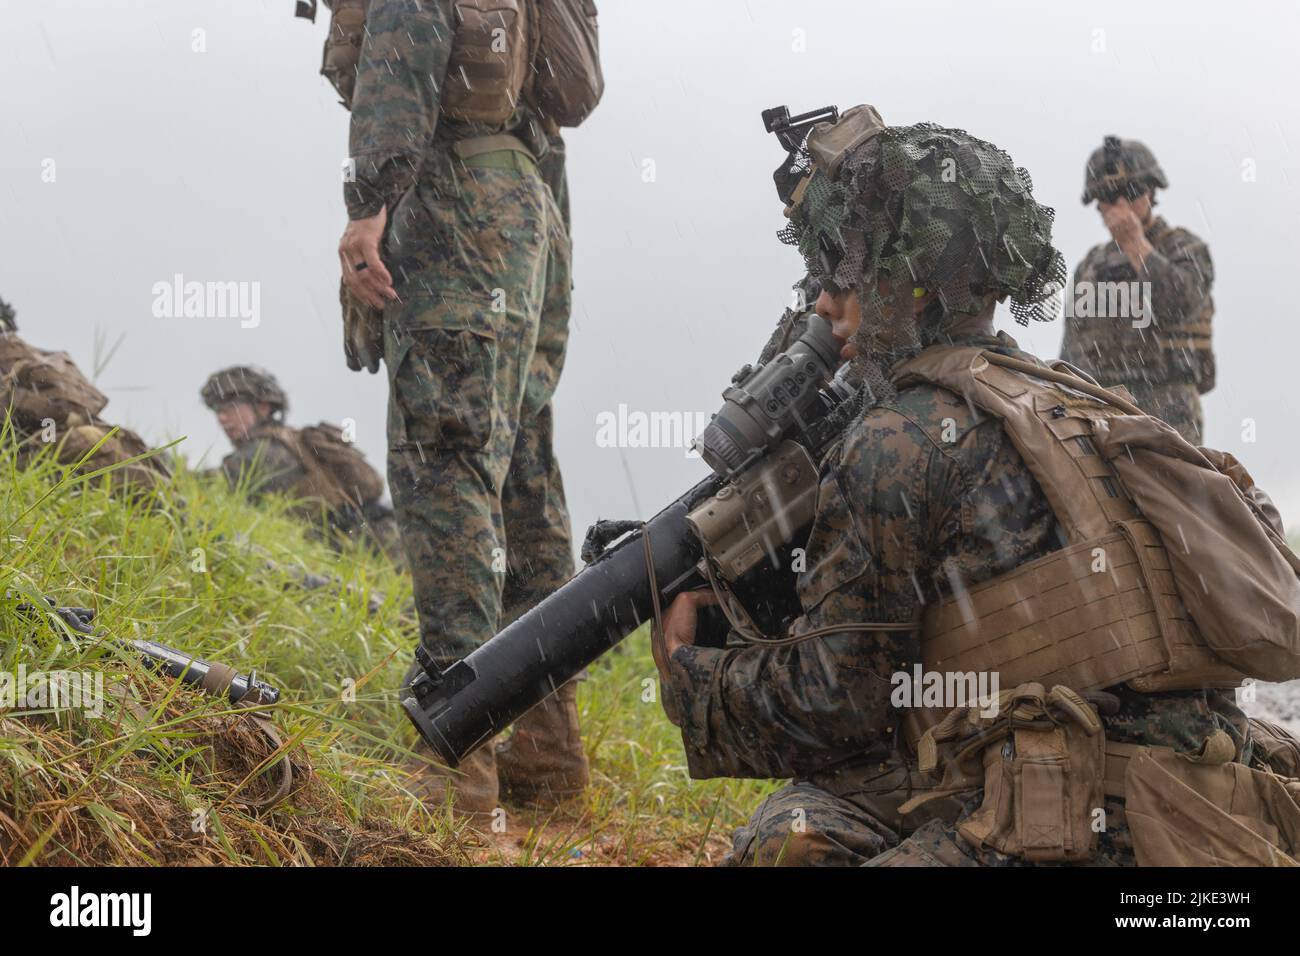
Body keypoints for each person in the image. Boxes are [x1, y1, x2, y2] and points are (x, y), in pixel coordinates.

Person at [650, 111, 1300, 867]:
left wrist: (693, 674)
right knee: (800, 828)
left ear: (904, 282)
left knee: (779, 853)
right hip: (1198, 804)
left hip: (1082, 814)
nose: (822, 306)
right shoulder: (1076, 398)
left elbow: (839, 707)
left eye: (842, 274)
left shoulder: (898, 437)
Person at [334, 0, 601, 814]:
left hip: (456, 207)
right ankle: (549, 763)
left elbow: (401, 59)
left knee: (445, 471)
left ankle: (457, 778)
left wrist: (368, 208)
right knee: (520, 471)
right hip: (532, 210)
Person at [1060, 136, 1215, 443]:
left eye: (1129, 192)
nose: (1118, 205)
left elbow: (1180, 302)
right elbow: (1072, 349)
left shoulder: (1184, 249)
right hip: (1098, 410)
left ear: (1151, 192)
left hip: (1167, 408)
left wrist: (1135, 244)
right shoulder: (1091, 265)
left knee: (1171, 491)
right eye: (1107, 197)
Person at [200, 365, 401, 561]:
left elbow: (205, 488)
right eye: (217, 410)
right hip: (383, 541)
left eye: (230, 407)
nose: (222, 418)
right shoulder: (293, 440)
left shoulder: (261, 453)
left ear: (262, 406)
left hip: (363, 551)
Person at [1, 295, 170, 496]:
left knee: (91, 439)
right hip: (51, 456)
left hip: (45, 457)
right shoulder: (36, 357)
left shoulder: (17, 358)